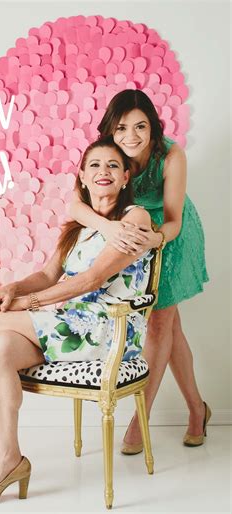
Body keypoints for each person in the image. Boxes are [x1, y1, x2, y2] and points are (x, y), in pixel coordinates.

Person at [0, 136, 156, 506]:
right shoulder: (79, 227)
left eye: (113, 165)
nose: (103, 172)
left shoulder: (135, 218)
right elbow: (49, 275)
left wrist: (24, 304)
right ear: (81, 176)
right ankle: (7, 458)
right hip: (71, 324)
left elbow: (91, 280)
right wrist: (9, 289)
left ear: (126, 176)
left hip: (109, 327)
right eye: (94, 165)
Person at [68, 89, 211, 454]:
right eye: (121, 128)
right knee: (170, 327)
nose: (131, 136)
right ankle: (198, 408)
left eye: (140, 126)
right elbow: (74, 203)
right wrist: (109, 228)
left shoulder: (171, 155)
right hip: (127, 231)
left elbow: (175, 218)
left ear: (153, 127)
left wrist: (154, 239)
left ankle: (141, 417)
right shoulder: (106, 154)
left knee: (161, 325)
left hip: (169, 236)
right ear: (110, 131)